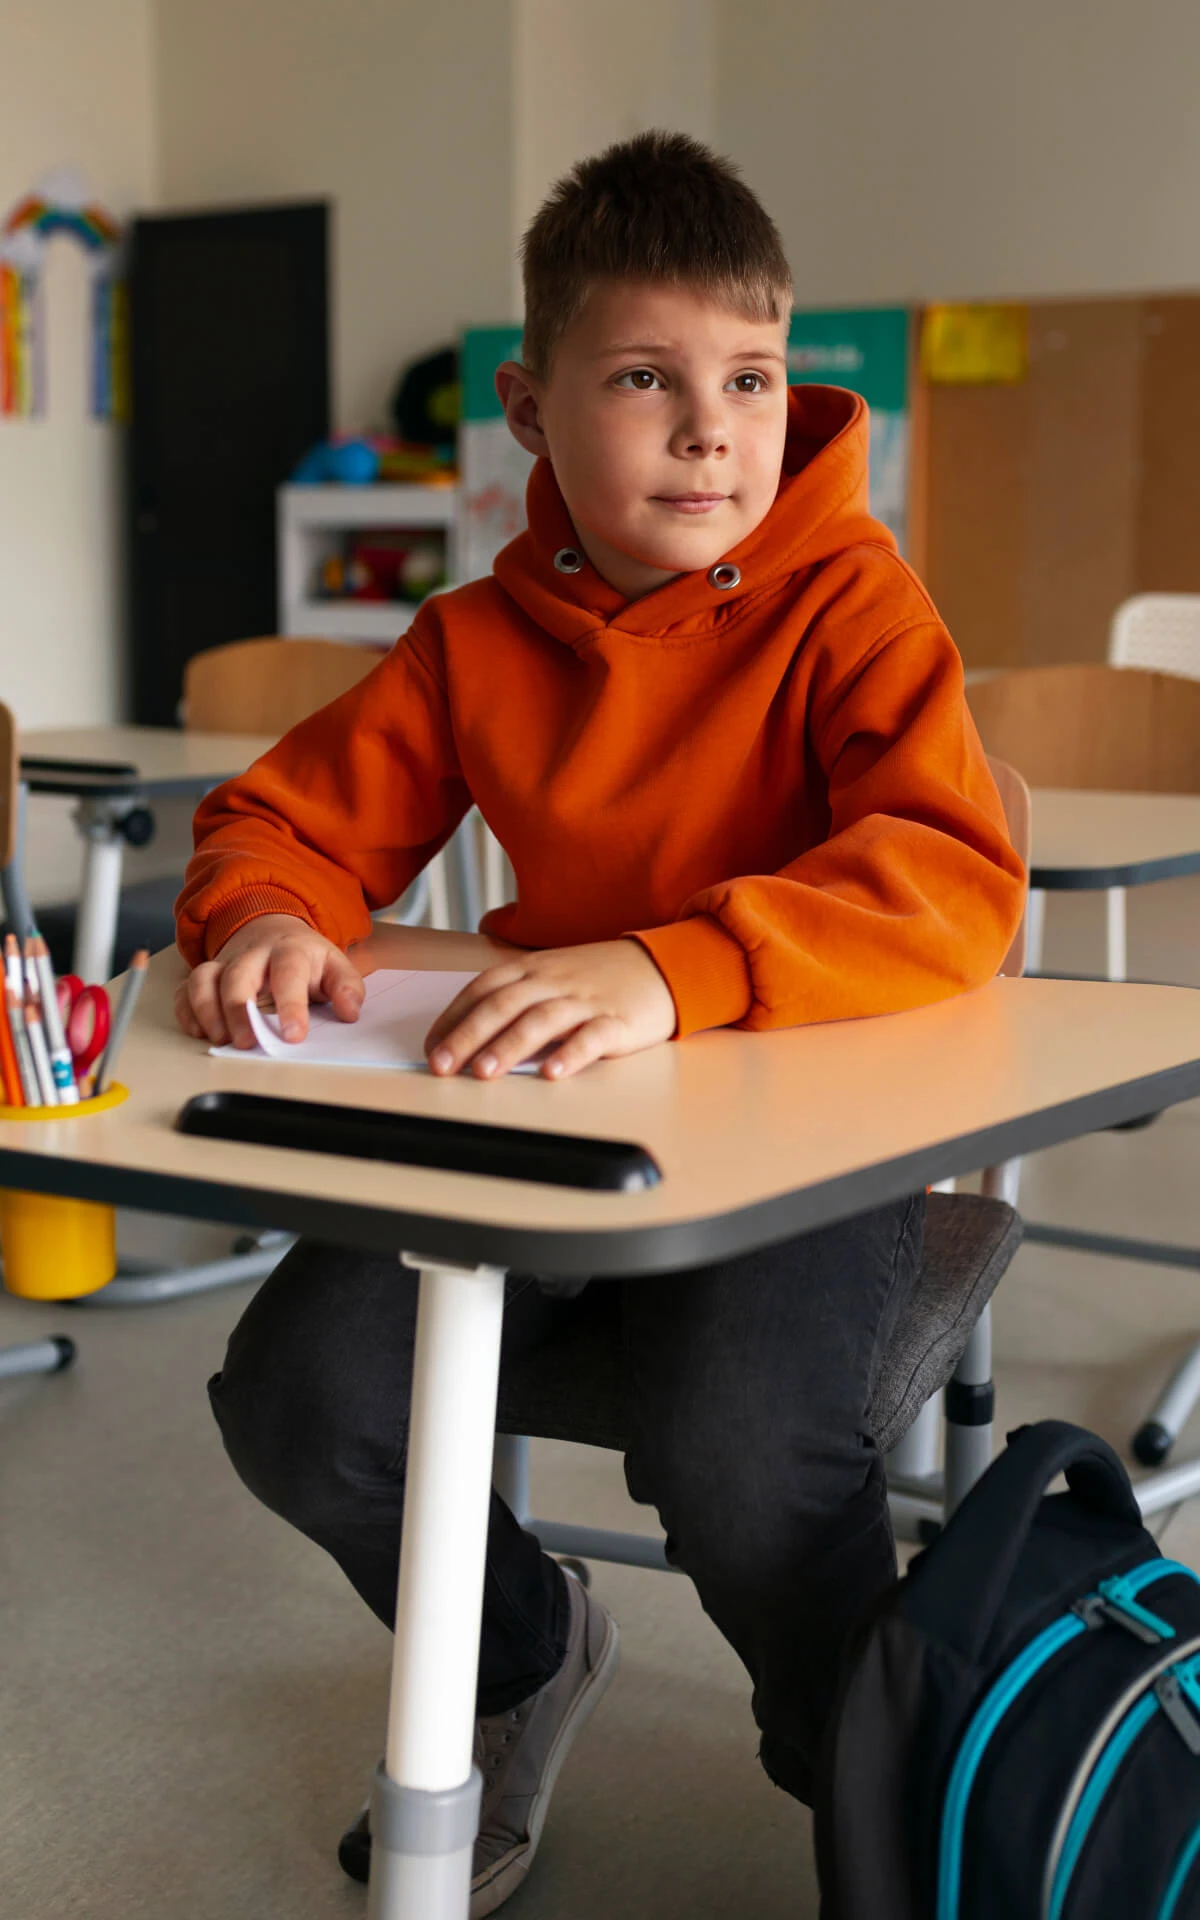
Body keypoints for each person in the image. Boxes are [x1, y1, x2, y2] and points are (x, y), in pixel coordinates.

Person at [174, 131, 1024, 1914]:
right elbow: (285, 820)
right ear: (530, 407)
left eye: (751, 380)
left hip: (810, 1129)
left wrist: (670, 964)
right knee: (302, 1400)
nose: (713, 429)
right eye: (647, 379)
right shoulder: (474, 639)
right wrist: (263, 915)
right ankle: (518, 1654)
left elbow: (950, 874)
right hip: (551, 1133)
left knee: (739, 1456)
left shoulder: (855, 607)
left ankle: (866, 1783)